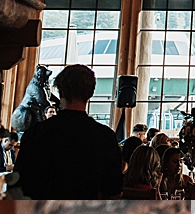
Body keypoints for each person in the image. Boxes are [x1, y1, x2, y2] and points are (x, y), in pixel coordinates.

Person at [15, 63, 126, 199]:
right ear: (90, 93)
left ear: (61, 91)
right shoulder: (105, 137)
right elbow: (114, 193)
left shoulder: (35, 133)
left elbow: (18, 187)